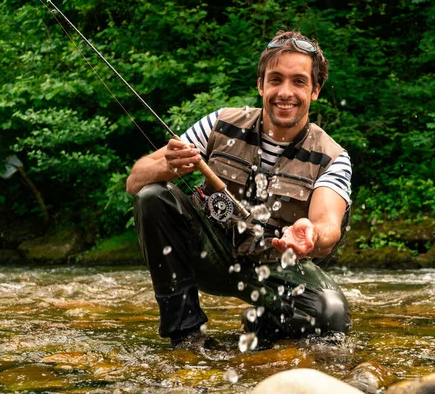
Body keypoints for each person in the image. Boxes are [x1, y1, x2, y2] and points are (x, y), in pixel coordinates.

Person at [126, 30, 352, 347]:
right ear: (260, 85)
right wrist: (169, 166)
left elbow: (328, 225)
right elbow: (135, 180)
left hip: (275, 269)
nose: (285, 92)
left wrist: (311, 234)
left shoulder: (333, 157)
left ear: (315, 90)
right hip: (208, 254)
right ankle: (185, 334)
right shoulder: (219, 123)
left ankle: (264, 324)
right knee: (153, 195)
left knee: (331, 316)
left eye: (298, 82)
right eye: (275, 80)